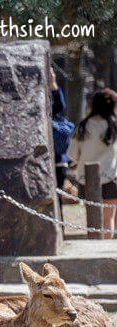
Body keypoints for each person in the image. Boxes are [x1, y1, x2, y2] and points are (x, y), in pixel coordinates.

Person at [69, 88, 117, 238]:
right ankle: (108, 251)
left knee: (93, 220)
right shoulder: (114, 126)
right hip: (110, 177)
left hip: (86, 179)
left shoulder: (83, 126)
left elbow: (72, 154)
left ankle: (95, 246)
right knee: (108, 218)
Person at [50, 69, 75, 217]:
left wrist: (52, 83)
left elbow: (59, 106)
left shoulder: (54, 112)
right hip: (49, 159)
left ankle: (59, 228)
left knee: (57, 196)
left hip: (58, 160)